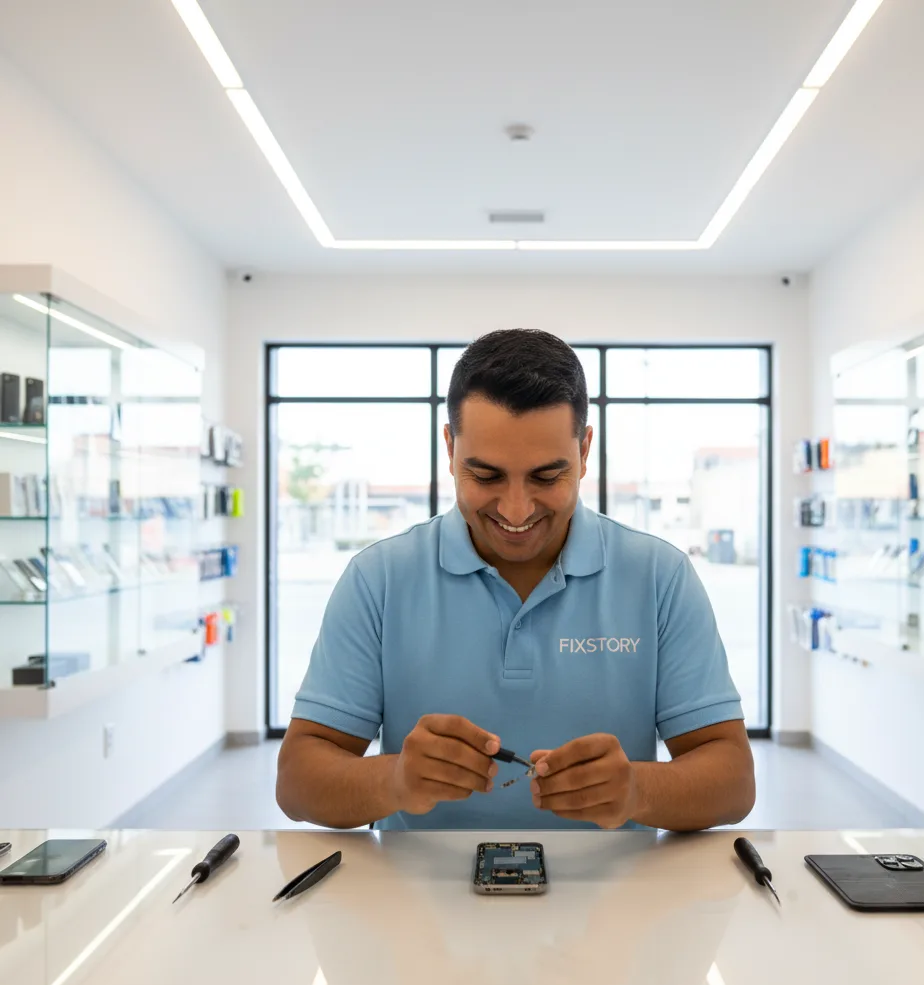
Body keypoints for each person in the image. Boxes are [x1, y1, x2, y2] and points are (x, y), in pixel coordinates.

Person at [277, 329, 755, 831]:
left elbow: (734, 781)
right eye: (485, 476)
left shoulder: (660, 578)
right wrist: (393, 780)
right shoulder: (378, 580)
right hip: (415, 896)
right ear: (449, 446)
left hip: (618, 896)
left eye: (547, 477)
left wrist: (638, 790)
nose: (516, 509)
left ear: (585, 449)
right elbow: (296, 782)